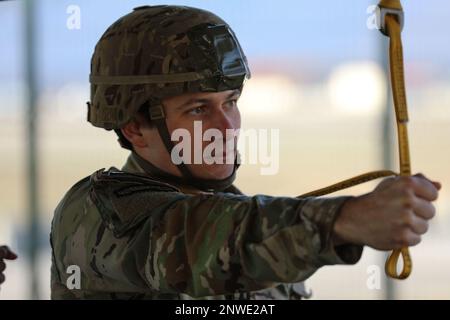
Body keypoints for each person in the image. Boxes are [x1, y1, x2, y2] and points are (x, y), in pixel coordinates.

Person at [50, 5, 441, 299]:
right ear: (134, 126)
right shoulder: (96, 214)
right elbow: (194, 241)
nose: (228, 127)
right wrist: (345, 220)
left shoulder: (233, 210)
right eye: (199, 109)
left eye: (231, 102)